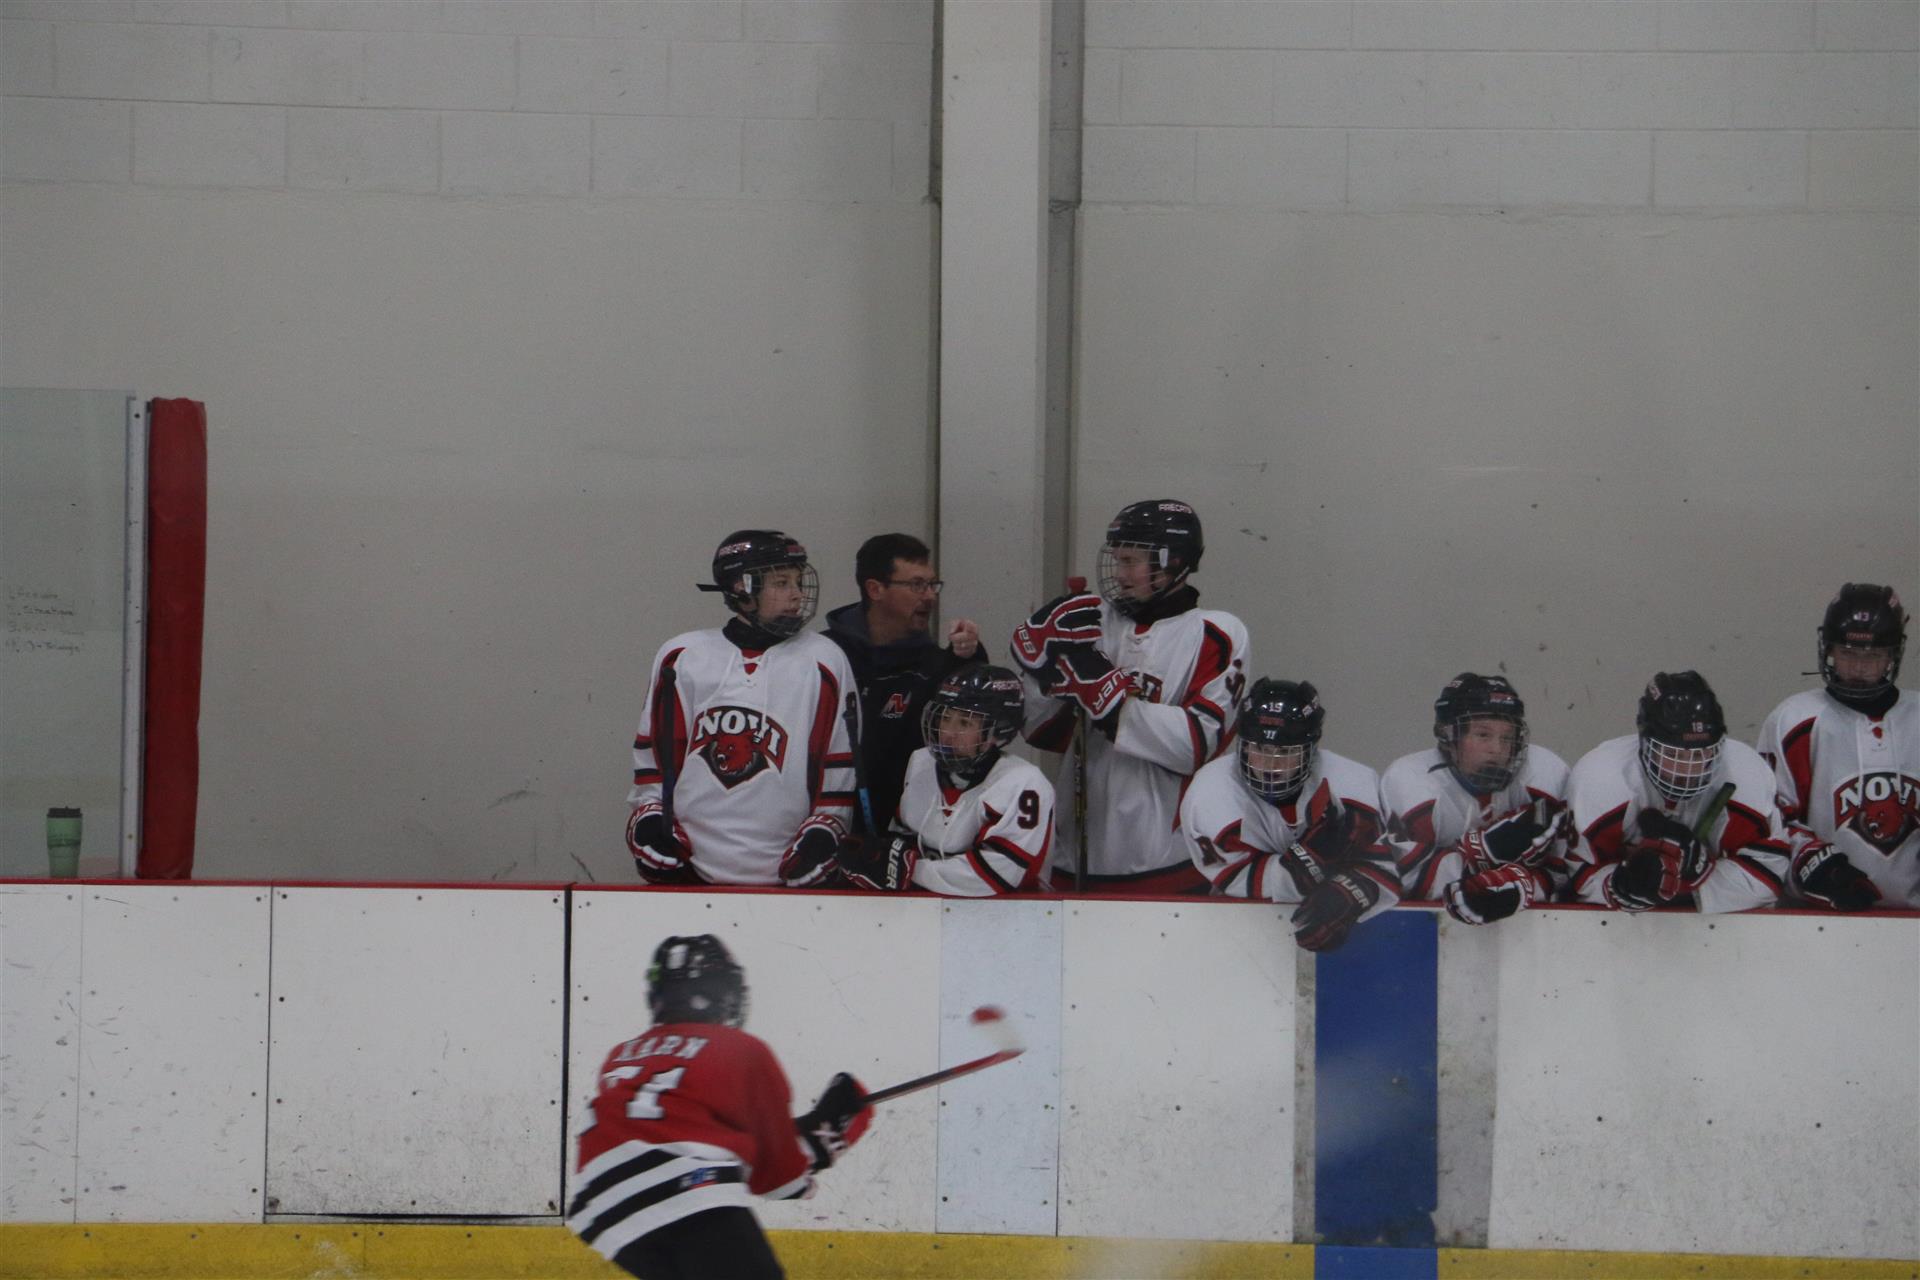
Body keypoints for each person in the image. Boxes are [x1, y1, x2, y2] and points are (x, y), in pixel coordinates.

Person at [568, 935, 872, 1280]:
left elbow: (676, 1130)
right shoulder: (741, 1049)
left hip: (601, 1207)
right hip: (683, 1186)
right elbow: (779, 1179)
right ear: (724, 993)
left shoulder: (622, 1055)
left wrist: (796, 1137)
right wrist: (826, 1134)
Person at [1010, 499, 1250, 893]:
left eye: (1131, 561)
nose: (1119, 575)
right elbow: (1041, 731)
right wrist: (1042, 671)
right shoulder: (1092, 621)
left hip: (1168, 861)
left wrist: (1110, 701)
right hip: (1074, 858)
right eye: (1117, 559)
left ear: (1174, 561)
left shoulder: (1217, 632)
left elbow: (1196, 745)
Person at [626, 531, 860, 887]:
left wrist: (826, 829)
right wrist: (649, 818)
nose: (797, 594)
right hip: (688, 868)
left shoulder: (824, 659)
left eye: (798, 581)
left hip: (790, 870)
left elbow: (838, 763)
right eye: (781, 583)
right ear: (742, 588)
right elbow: (656, 758)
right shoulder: (682, 656)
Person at [1178, 679, 1400, 951]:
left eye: (1284, 752)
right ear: (1243, 746)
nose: (1270, 765)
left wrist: (1352, 892)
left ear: (1311, 750)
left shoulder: (1354, 785)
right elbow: (1237, 879)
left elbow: (1394, 865)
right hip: (1237, 933)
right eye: (1260, 749)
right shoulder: (1210, 794)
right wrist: (1308, 864)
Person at [1565, 671, 1791, 913]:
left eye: (1700, 754)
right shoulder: (1602, 779)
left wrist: (1693, 881)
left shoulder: (1746, 775)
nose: (1687, 769)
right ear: (1645, 742)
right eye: (1673, 754)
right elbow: (1575, 875)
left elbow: (1769, 875)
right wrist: (1622, 885)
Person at [834, 665, 1055, 895]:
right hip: (925, 911)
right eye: (945, 718)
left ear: (999, 730)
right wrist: (877, 856)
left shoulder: (1023, 784)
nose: (947, 733)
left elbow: (996, 876)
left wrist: (910, 871)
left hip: (1012, 914)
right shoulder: (921, 763)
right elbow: (903, 845)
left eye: (964, 723)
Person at [1755, 583, 1910, 909]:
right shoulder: (1794, 720)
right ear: (1829, 651)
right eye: (1848, 653)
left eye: (1873, 655)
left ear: (1892, 656)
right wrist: (1821, 870)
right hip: (1820, 919)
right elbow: (1769, 821)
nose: (1859, 668)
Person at [822, 534, 981, 833]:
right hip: (819, 829)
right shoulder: (823, 656)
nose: (930, 596)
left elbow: (970, 730)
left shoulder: (936, 666)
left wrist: (968, 658)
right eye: (917, 585)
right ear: (875, 589)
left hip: (902, 836)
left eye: (932, 584)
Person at [1384, 674, 1572, 926]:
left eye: (1507, 737)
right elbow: (1404, 879)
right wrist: (1483, 850)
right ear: (1448, 735)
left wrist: (1523, 885)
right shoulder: (1411, 782)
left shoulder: (1545, 775)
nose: (1497, 748)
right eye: (1483, 735)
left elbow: (1567, 872)